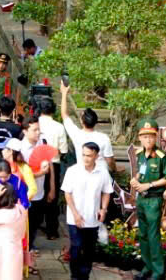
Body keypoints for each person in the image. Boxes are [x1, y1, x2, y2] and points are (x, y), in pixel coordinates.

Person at [60, 142, 112, 280]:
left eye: (89, 155)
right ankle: (74, 276)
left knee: (89, 249)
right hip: (75, 218)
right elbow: (67, 194)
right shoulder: (73, 171)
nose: (85, 158)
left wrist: (104, 209)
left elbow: (107, 191)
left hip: (93, 218)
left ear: (96, 156)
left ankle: (85, 275)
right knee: (76, 247)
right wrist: (75, 214)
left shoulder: (102, 172)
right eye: (83, 155)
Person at [131, 119, 166, 280]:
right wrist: (135, 180)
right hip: (141, 200)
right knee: (142, 234)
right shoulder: (140, 155)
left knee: (153, 235)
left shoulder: (161, 157)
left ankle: (158, 271)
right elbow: (140, 173)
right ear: (140, 138)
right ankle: (147, 266)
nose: (148, 140)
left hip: (154, 200)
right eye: (145, 137)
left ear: (155, 138)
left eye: (151, 137)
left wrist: (149, 185)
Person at [58, 82, 115, 172]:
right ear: (95, 122)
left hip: (83, 173)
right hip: (101, 174)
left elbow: (64, 115)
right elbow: (110, 161)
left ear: (82, 121)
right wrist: (115, 170)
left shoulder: (77, 135)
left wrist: (64, 93)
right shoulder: (104, 138)